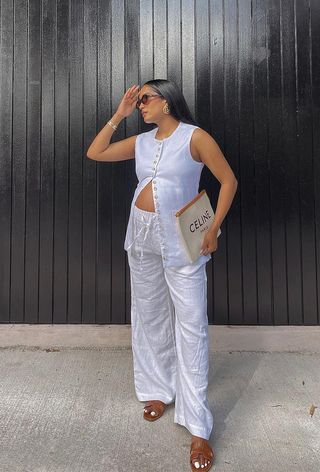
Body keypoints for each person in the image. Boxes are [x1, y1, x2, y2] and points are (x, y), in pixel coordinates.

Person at [87, 79, 238, 471]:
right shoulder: (141, 142)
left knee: (190, 326)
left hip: (181, 242)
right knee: (149, 315)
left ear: (167, 102)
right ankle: (157, 390)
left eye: (144, 100)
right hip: (141, 238)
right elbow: (95, 152)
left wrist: (213, 227)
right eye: (137, 102)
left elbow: (228, 181)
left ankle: (198, 427)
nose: (139, 105)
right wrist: (118, 115)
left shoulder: (196, 137)